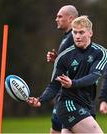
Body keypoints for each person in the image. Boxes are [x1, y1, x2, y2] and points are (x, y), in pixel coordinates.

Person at [27, 16, 107, 133]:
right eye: (75, 32)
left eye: (81, 32)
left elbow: (93, 76)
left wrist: (72, 83)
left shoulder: (101, 53)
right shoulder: (63, 56)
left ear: (90, 33)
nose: (77, 36)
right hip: (68, 103)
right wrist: (40, 100)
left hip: (87, 104)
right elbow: (54, 85)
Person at [46, 5, 79, 134]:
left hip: (70, 94)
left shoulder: (74, 37)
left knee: (61, 129)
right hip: (62, 91)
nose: (56, 19)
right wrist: (57, 59)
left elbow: (80, 64)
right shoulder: (66, 37)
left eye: (60, 16)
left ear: (70, 18)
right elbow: (69, 63)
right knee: (56, 128)